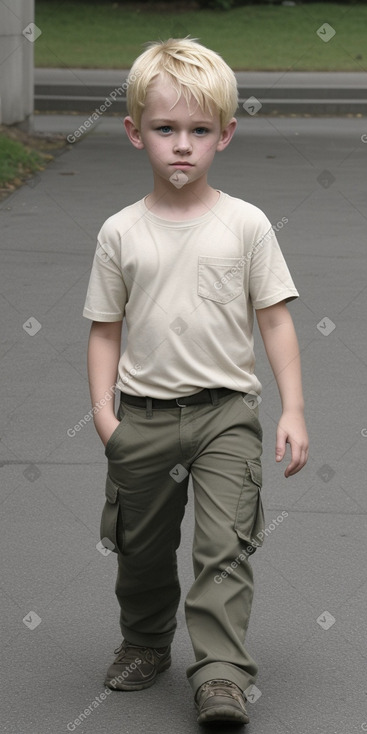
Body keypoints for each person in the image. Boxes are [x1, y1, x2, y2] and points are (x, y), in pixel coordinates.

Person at [83, 37, 309, 726]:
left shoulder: (244, 225)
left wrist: (291, 408)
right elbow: (104, 330)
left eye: (199, 130)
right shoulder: (119, 233)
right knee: (142, 550)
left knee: (223, 547)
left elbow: (273, 323)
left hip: (225, 416)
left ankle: (219, 674)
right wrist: (104, 417)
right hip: (142, 418)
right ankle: (145, 642)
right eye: (164, 129)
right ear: (134, 133)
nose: (181, 145)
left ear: (225, 135)